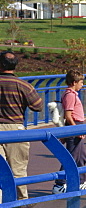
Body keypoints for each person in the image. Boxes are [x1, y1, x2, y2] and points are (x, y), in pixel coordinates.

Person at [0, 51, 43, 199]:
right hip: (15, 130)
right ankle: (21, 199)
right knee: (18, 168)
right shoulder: (22, 85)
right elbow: (38, 106)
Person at [52, 70, 86, 193]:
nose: (82, 85)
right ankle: (59, 184)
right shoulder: (70, 95)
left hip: (76, 126)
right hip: (75, 125)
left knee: (81, 156)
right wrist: (75, 130)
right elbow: (68, 115)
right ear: (74, 82)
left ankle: (80, 181)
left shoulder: (71, 94)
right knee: (72, 156)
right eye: (81, 82)